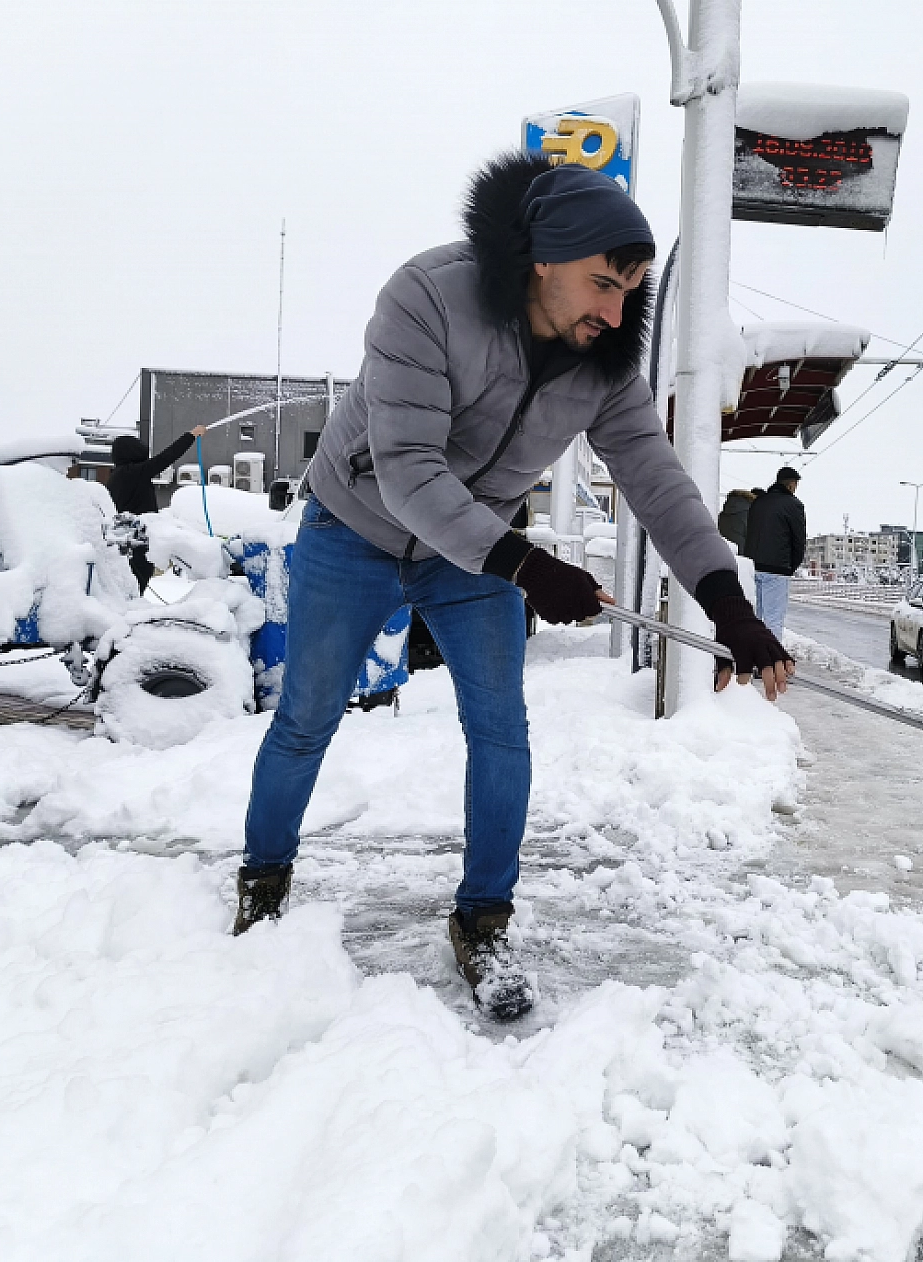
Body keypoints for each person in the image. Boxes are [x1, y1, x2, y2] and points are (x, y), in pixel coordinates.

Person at [232, 153, 794, 1019]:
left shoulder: (600, 357)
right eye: (602, 284)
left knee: (501, 731)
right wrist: (528, 567)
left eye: (631, 289)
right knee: (307, 717)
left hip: (476, 547)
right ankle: (263, 881)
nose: (616, 312)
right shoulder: (425, 299)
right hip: (358, 526)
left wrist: (726, 602)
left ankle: (484, 918)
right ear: (540, 259)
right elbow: (411, 472)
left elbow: (653, 476)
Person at [107, 425, 208, 592]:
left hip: (127, 541)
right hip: (136, 542)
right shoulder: (132, 473)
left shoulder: (118, 476)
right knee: (137, 582)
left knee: (131, 584)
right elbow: (165, 458)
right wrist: (191, 436)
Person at [740, 468, 806, 639]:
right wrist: (791, 566)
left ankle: (753, 656)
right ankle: (769, 661)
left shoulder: (758, 503)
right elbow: (799, 540)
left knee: (756, 618)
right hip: (777, 569)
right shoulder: (794, 505)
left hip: (754, 566)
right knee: (773, 620)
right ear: (791, 484)